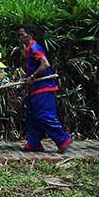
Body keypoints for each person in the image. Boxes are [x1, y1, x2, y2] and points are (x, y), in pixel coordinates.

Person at [19, 24, 72, 153]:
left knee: (43, 115)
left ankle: (63, 139)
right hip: (35, 88)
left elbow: (45, 64)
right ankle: (34, 143)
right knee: (31, 115)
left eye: (22, 35)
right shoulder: (29, 50)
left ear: (30, 35)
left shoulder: (35, 48)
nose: (20, 38)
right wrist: (26, 78)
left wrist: (32, 77)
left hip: (44, 87)